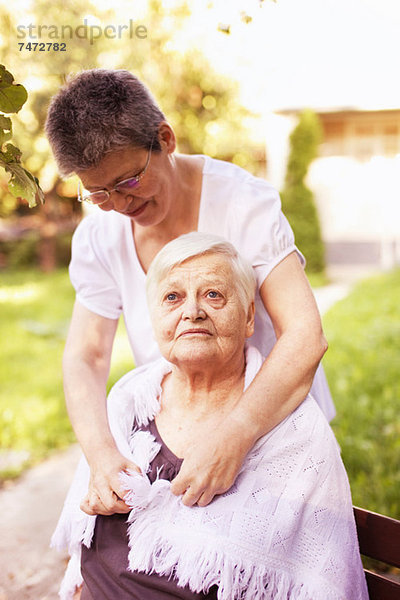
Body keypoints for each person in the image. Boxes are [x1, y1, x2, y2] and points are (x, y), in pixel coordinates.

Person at [45, 68, 333, 514]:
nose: (120, 205)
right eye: (99, 193)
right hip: (181, 428)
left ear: (165, 139)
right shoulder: (100, 236)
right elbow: (87, 355)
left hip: (272, 422)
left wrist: (237, 433)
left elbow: (304, 334)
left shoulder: (243, 203)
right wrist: (101, 456)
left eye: (128, 182)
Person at [52, 233, 368, 600]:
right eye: (172, 297)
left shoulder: (294, 431)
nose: (193, 312)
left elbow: (319, 580)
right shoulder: (129, 400)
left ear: (249, 317)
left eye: (214, 295)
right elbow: (85, 551)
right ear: (154, 319)